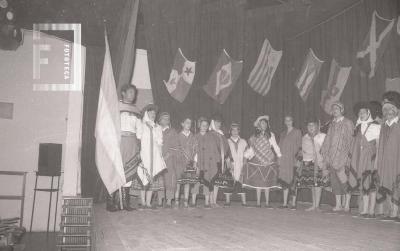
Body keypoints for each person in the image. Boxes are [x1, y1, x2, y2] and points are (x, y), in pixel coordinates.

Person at [107, 84, 140, 212]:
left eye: (134, 93)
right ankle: (111, 203)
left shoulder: (136, 111)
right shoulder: (115, 107)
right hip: (118, 142)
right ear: (123, 93)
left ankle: (125, 203)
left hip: (132, 143)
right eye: (130, 92)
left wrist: (139, 144)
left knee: (130, 170)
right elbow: (109, 124)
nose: (133, 95)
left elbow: (139, 130)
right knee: (115, 171)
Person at [321, 102, 354, 212]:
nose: (335, 110)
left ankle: (347, 204)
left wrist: (348, 156)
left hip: (342, 157)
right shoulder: (332, 124)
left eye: (337, 108)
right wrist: (325, 154)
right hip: (332, 157)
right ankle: (338, 204)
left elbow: (351, 140)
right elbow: (327, 140)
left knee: (344, 180)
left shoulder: (348, 123)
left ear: (342, 110)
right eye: (333, 108)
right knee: (334, 182)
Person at [243, 115, 282, 208]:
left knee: (267, 183)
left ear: (267, 125)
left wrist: (279, 156)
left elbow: (275, 146)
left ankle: (267, 203)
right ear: (259, 125)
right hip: (257, 160)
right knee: (259, 183)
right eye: (261, 123)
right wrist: (245, 157)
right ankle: (258, 203)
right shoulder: (254, 136)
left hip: (269, 160)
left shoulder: (271, 135)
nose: (263, 125)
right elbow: (251, 149)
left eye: (265, 123)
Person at [349, 102, 380, 218]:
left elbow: (378, 145)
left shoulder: (376, 126)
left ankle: (371, 211)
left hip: (370, 159)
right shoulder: (357, 127)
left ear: (369, 113)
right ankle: (365, 210)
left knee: (370, 184)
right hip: (360, 159)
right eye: (359, 112)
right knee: (363, 183)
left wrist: (376, 160)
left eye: (363, 112)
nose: (361, 114)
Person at [134, 104, 167, 209]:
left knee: (153, 176)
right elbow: (138, 139)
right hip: (144, 155)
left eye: (154, 113)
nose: (153, 114)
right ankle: (143, 202)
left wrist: (160, 156)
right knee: (144, 176)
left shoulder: (157, 127)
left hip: (155, 156)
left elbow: (160, 143)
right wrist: (139, 154)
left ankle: (148, 202)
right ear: (146, 113)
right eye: (150, 112)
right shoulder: (141, 124)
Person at [376, 91, 400, 222]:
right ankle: (390, 210)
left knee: (397, 184)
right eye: (385, 110)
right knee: (386, 184)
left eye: (391, 109)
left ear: (396, 110)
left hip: (397, 161)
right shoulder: (383, 126)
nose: (388, 112)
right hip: (385, 162)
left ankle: (396, 212)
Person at [296, 118, 327, 211]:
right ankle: (314, 204)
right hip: (308, 163)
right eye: (309, 126)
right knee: (312, 185)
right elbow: (302, 151)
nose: (311, 127)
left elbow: (325, 151)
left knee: (318, 185)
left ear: (317, 126)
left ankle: (317, 206)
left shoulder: (322, 136)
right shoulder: (305, 137)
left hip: (319, 163)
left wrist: (324, 164)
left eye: (313, 125)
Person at [193, 117, 220, 208]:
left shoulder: (211, 137)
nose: (204, 127)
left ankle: (208, 202)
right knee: (196, 182)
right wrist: (195, 163)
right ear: (199, 126)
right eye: (202, 125)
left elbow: (215, 150)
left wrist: (217, 162)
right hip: (199, 163)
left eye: (206, 125)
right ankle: (193, 202)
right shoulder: (195, 137)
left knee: (209, 182)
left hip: (209, 164)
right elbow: (194, 152)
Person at [278, 115, 302, 209]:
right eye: (286, 120)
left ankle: (293, 203)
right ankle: (284, 203)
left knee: (293, 181)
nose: (288, 122)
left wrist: (299, 160)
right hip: (284, 161)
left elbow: (300, 146)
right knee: (284, 182)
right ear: (284, 122)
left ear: (293, 121)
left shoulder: (297, 132)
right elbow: (279, 148)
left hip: (293, 160)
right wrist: (279, 160)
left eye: (290, 120)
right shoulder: (282, 133)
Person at [175, 116, 199, 208]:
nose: (189, 125)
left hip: (190, 162)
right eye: (187, 123)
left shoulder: (193, 137)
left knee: (187, 182)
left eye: (190, 123)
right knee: (178, 182)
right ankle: (176, 201)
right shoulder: (177, 136)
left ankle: (185, 201)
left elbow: (196, 151)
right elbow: (176, 150)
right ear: (182, 124)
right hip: (179, 163)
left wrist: (195, 162)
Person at [209, 114, 230, 207]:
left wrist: (227, 157)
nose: (218, 124)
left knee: (217, 181)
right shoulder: (210, 134)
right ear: (213, 123)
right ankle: (210, 200)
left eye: (220, 123)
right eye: (216, 122)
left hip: (221, 161)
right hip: (213, 160)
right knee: (211, 180)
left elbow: (226, 147)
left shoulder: (221, 134)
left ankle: (214, 201)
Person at [224, 123, 248, 206]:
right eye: (233, 130)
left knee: (241, 182)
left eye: (236, 129)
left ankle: (244, 201)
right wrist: (229, 165)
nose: (235, 131)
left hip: (241, 164)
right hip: (231, 165)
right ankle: (227, 201)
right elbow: (225, 154)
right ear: (230, 131)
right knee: (229, 182)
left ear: (239, 131)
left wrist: (244, 164)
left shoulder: (243, 141)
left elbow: (247, 154)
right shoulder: (227, 141)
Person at [158, 112, 179, 208]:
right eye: (164, 118)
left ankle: (169, 200)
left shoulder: (172, 131)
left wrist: (167, 156)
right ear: (160, 120)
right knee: (159, 179)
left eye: (168, 118)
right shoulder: (156, 130)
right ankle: (159, 200)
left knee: (169, 178)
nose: (166, 120)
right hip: (157, 159)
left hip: (169, 159)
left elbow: (175, 146)